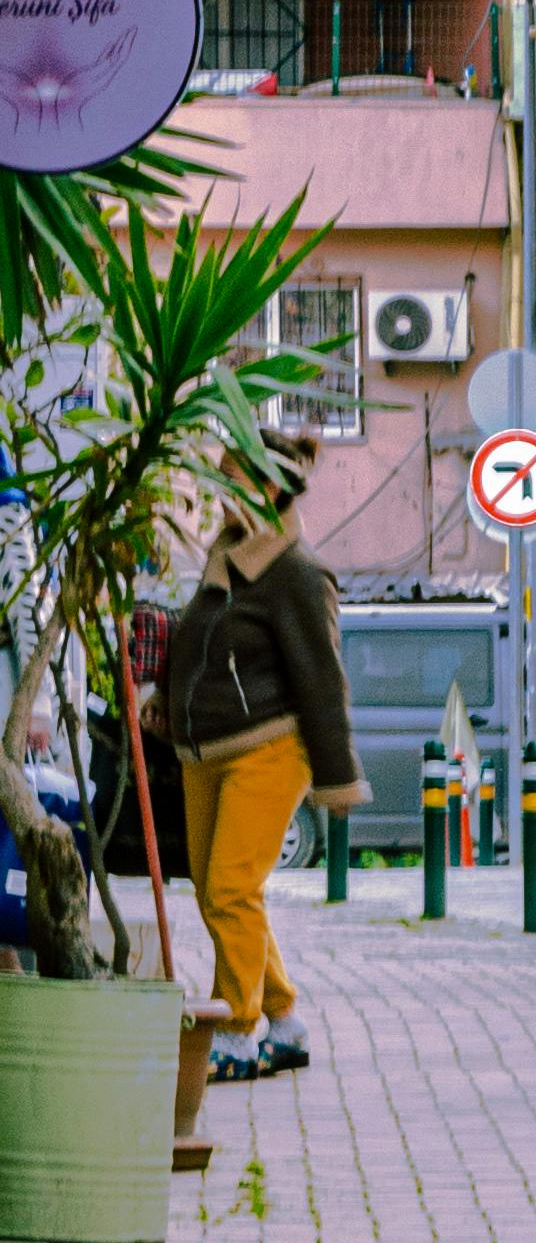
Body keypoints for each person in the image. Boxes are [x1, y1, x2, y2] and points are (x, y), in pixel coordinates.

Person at [155, 431, 363, 1080]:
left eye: (230, 476)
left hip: (269, 748)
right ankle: (284, 1020)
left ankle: (238, 1031)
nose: (217, 490)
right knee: (221, 896)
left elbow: (323, 682)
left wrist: (336, 779)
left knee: (229, 891)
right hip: (205, 748)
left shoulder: (296, 572)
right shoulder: (227, 558)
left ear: (270, 487)